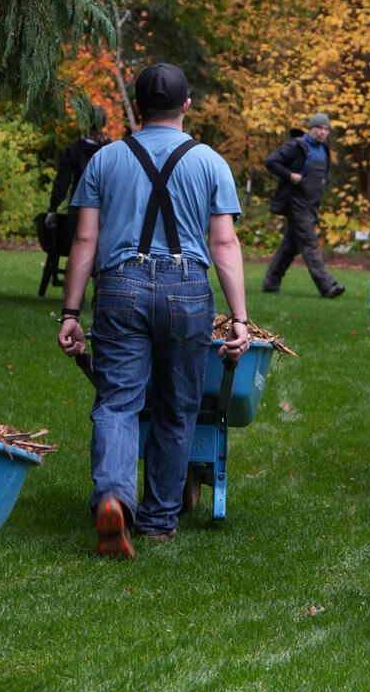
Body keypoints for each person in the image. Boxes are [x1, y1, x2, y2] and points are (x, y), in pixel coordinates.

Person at [57, 62, 250, 558]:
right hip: (187, 289)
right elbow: (224, 243)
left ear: (137, 107)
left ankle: (113, 496)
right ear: (187, 105)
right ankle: (159, 520)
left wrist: (71, 312)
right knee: (178, 407)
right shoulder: (210, 162)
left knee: (117, 402)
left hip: (120, 286)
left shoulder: (104, 159)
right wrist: (239, 320)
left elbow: (84, 239)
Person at [261, 112, 344, 300]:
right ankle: (327, 286)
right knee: (310, 243)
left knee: (289, 247)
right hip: (296, 203)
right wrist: (290, 175)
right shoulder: (297, 146)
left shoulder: (324, 150)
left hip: (312, 204)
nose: (322, 132)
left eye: (326, 129)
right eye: (319, 128)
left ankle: (271, 282)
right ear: (311, 128)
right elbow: (271, 161)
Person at [45, 105, 110, 230]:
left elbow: (62, 181)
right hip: (106, 209)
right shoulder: (111, 149)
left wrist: (53, 207)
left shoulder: (73, 150)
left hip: (79, 208)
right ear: (104, 123)